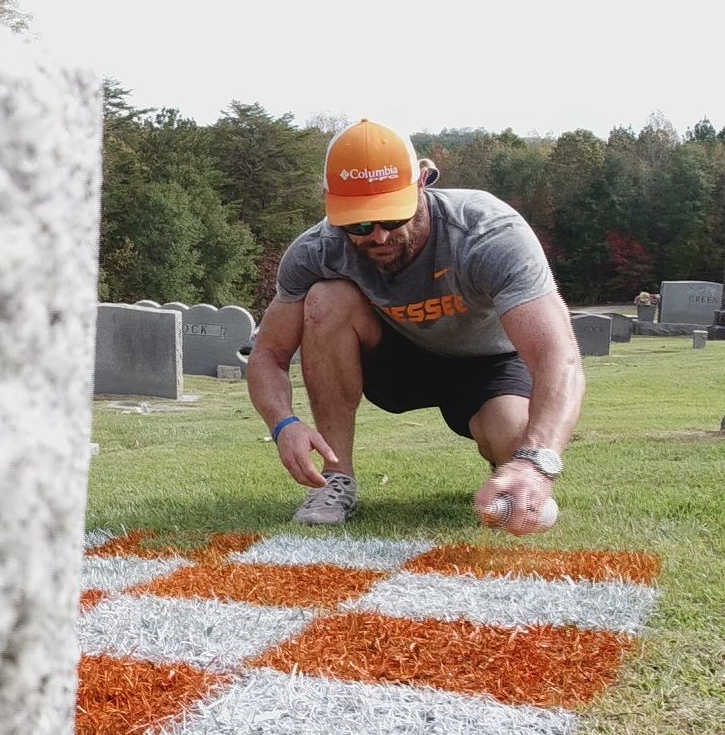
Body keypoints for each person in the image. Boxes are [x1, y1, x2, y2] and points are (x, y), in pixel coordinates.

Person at [246, 118, 584, 533]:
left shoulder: (487, 233)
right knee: (326, 298)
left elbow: (558, 355)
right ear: (330, 204)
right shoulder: (318, 250)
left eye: (392, 216)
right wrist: (283, 424)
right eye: (359, 224)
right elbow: (267, 353)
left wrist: (536, 462)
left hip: (487, 362)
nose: (380, 236)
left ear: (422, 182)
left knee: (516, 444)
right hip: (395, 359)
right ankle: (336, 479)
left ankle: (508, 462)